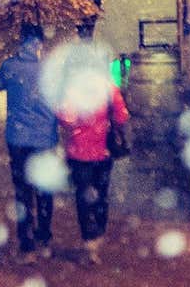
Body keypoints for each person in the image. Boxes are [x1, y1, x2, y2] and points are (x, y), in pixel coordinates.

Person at [0, 23, 57, 262]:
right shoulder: (50, 69)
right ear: (40, 42)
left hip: (17, 139)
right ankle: (45, 239)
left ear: (21, 41)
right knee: (45, 190)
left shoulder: (10, 66)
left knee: (23, 193)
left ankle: (26, 245)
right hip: (45, 138)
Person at [55, 68, 129, 265]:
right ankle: (99, 231)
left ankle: (89, 239)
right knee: (101, 194)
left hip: (79, 154)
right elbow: (122, 116)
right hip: (103, 153)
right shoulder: (108, 88)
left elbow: (65, 118)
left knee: (83, 196)